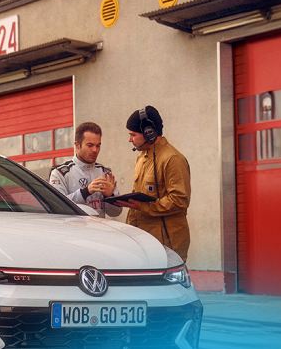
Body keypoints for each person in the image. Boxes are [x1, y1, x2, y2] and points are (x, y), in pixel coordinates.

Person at [118, 105, 191, 260]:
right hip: (144, 242)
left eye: (133, 134)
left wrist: (144, 206)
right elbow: (138, 198)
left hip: (168, 245)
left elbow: (179, 200)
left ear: (149, 133)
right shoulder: (141, 158)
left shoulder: (173, 159)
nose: (129, 139)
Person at [49, 121, 121, 217]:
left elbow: (116, 213)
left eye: (98, 145)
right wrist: (85, 192)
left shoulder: (105, 173)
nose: (95, 150)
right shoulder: (60, 173)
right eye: (90, 145)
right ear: (77, 145)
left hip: (100, 230)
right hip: (74, 230)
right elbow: (56, 207)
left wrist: (109, 196)